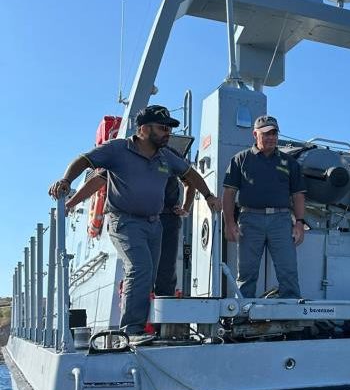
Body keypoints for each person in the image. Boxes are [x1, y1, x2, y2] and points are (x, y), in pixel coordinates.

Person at [48, 105, 221, 340]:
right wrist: (66, 181)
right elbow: (85, 160)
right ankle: (130, 330)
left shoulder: (166, 156)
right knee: (140, 268)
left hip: (155, 224)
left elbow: (191, 175)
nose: (167, 133)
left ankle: (155, 329)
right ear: (143, 129)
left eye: (169, 129)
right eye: (162, 128)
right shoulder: (118, 149)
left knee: (154, 276)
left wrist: (209, 196)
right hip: (124, 221)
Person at [66, 164, 194, 297]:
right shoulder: (125, 152)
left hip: (166, 220)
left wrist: (186, 207)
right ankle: (137, 311)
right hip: (137, 220)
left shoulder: (169, 157)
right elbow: (99, 179)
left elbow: (190, 179)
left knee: (165, 275)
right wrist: (70, 203)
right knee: (140, 271)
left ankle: (161, 312)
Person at [222, 115, 306, 299]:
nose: (271, 137)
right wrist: (229, 223)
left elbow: (298, 195)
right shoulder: (240, 159)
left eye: (274, 133)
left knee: (288, 271)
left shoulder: (290, 163)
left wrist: (299, 223)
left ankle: (289, 316)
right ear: (255, 134)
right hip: (249, 220)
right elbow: (228, 194)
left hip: (282, 221)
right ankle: (242, 315)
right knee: (246, 274)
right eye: (266, 133)